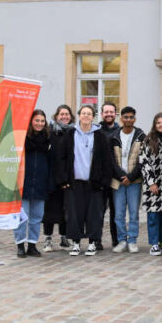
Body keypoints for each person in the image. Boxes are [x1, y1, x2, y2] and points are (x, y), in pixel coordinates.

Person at [60, 105, 112, 256]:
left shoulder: (100, 136)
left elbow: (106, 161)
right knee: (74, 214)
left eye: (89, 114)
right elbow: (61, 158)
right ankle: (76, 243)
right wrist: (64, 180)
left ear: (93, 116)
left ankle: (92, 243)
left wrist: (103, 182)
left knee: (94, 214)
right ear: (79, 115)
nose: (86, 116)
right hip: (74, 182)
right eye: (83, 113)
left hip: (94, 183)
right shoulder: (70, 134)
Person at [14, 110, 52, 258]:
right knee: (22, 217)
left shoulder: (48, 139)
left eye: (42, 121)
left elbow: (51, 162)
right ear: (31, 122)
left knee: (37, 217)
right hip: (24, 182)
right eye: (37, 120)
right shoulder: (23, 138)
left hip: (41, 183)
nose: (39, 124)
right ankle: (20, 244)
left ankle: (32, 244)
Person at [110, 106, 145, 254]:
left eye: (131, 117)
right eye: (126, 117)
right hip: (117, 181)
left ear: (134, 119)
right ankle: (122, 240)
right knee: (118, 213)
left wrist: (130, 177)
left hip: (134, 181)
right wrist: (120, 176)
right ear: (121, 118)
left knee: (133, 213)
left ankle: (132, 241)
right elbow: (110, 160)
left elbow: (143, 160)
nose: (128, 120)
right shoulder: (113, 136)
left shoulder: (141, 136)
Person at [139, 112, 162, 256]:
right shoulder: (148, 140)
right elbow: (144, 162)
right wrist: (152, 182)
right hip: (152, 184)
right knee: (153, 215)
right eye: (158, 122)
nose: (161, 125)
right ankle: (154, 244)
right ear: (155, 124)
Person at [42, 105, 74, 252]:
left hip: (67, 178)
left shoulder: (74, 133)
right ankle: (48, 239)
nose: (64, 117)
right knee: (49, 211)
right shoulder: (49, 132)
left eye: (67, 114)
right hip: (50, 178)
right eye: (61, 114)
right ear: (56, 116)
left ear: (71, 117)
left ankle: (64, 238)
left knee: (65, 209)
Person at [98, 101, 120, 250]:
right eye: (106, 112)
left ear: (115, 114)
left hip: (116, 177)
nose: (109, 114)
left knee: (116, 211)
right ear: (101, 114)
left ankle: (116, 239)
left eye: (111, 112)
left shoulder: (120, 131)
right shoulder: (96, 131)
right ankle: (96, 239)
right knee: (98, 211)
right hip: (100, 177)